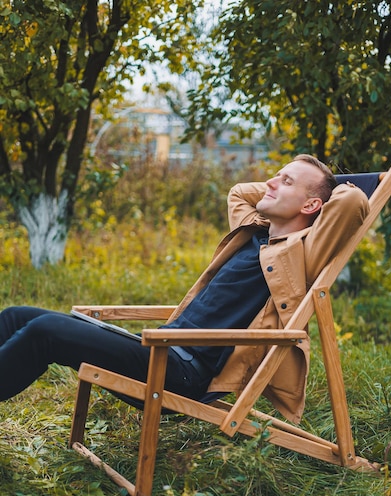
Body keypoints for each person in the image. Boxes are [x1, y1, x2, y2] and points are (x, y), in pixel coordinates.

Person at [0, 155, 369, 423]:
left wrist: (332, 185)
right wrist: (285, 188)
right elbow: (240, 192)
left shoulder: (301, 257)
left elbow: (351, 201)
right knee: (15, 315)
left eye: (286, 182)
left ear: (312, 204)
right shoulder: (253, 233)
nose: (270, 182)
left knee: (44, 332)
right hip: (160, 349)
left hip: (182, 373)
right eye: (275, 176)